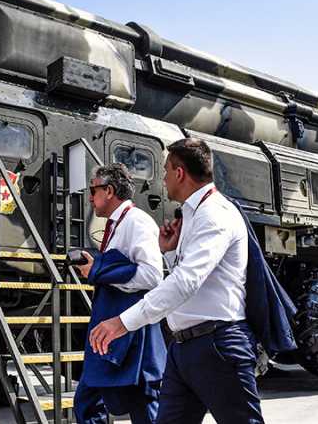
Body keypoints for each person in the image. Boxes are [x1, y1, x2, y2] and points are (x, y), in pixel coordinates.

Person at [89, 138, 264, 424]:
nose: (164, 178)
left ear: (180, 173)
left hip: (217, 344)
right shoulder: (193, 215)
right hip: (185, 348)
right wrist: (168, 252)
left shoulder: (214, 214)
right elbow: (189, 276)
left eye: (166, 171)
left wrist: (123, 322)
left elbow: (186, 282)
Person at [73, 164, 165, 424]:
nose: (90, 197)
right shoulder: (119, 224)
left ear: (109, 190)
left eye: (94, 190)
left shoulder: (137, 221)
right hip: (113, 331)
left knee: (142, 402)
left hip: (128, 333)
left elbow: (152, 275)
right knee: (90, 402)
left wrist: (100, 271)